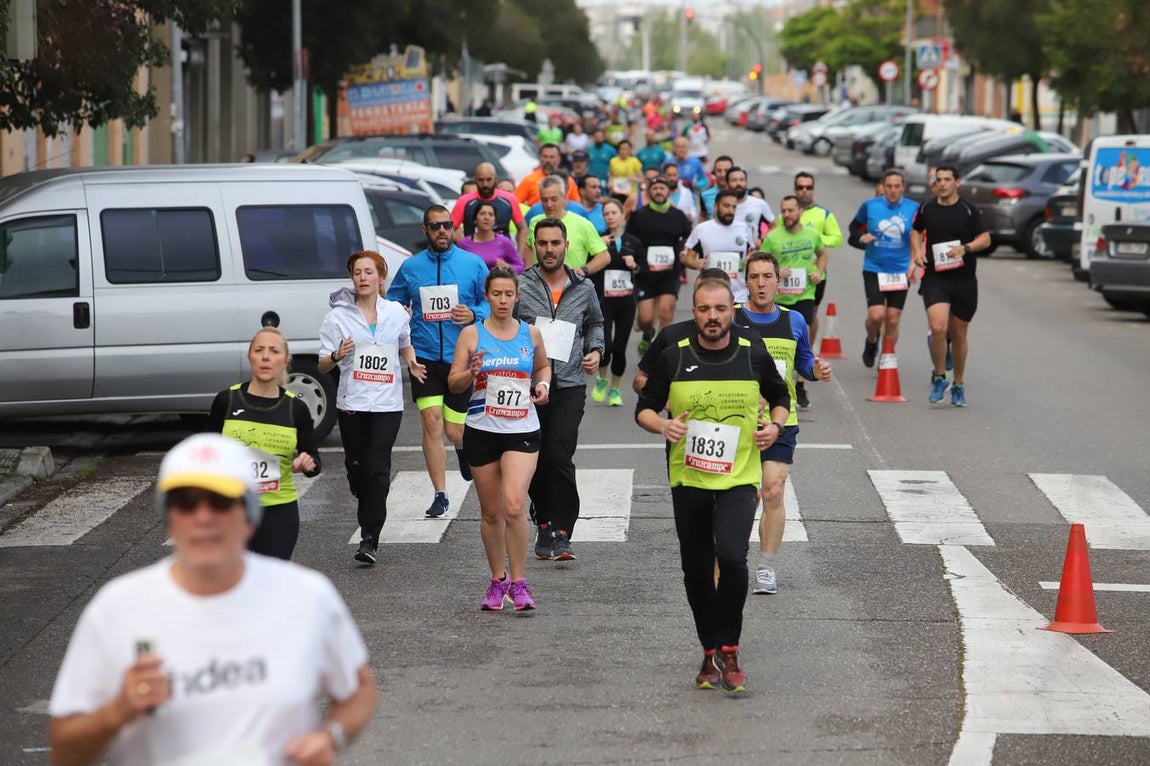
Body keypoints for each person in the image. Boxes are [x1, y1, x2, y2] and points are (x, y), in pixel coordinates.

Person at [48, 433, 377, 766]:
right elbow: (64, 750)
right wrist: (116, 712)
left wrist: (329, 737)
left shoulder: (306, 597)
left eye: (220, 502)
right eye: (187, 503)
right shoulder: (117, 609)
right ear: (169, 518)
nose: (203, 517)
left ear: (248, 514)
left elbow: (358, 689)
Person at [635, 276, 790, 694]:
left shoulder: (752, 350)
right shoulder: (674, 355)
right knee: (697, 569)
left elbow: (781, 397)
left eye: (720, 309)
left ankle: (731, 647)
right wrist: (662, 424)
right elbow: (643, 409)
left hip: (738, 477)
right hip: (688, 478)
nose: (712, 317)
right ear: (694, 309)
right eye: (704, 309)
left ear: (731, 310)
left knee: (733, 557)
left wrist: (774, 428)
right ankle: (708, 651)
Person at [448, 267, 551, 611]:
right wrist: (470, 372)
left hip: (522, 429)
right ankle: (498, 579)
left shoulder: (531, 334)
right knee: (492, 513)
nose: (503, 300)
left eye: (509, 294)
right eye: (497, 294)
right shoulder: (471, 336)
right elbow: (454, 384)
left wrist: (543, 385)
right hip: (481, 429)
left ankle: (520, 583)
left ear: (517, 296)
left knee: (514, 505)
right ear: (487, 297)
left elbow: (543, 367)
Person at [320, 251, 426, 565]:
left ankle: (370, 537)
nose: (363, 278)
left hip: (386, 404)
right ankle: (361, 487)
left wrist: (411, 361)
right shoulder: (337, 317)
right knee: (357, 467)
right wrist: (338, 355)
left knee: (378, 467)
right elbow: (322, 364)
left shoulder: (396, 313)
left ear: (381, 278)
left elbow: (404, 341)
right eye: (357, 273)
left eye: (369, 272)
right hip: (352, 402)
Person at [734, 253, 832, 594]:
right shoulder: (730, 318)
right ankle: (733, 554)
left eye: (767, 277)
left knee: (773, 489)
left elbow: (803, 360)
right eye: (755, 277)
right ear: (745, 281)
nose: (761, 283)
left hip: (782, 419)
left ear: (779, 281)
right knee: (743, 496)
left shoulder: (794, 321)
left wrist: (815, 372)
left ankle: (766, 567)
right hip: (735, 421)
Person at [386, 206, 490, 520]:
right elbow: (393, 301)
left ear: (454, 227)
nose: (442, 231)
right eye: (435, 226)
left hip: (460, 359)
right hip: (426, 357)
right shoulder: (411, 267)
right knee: (431, 422)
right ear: (425, 230)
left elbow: (492, 300)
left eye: (446, 225)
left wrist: (474, 314)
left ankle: (461, 448)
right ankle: (440, 494)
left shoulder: (472, 264)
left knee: (455, 431)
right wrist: (398, 313)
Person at [517, 217, 605, 562]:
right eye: (543, 243)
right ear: (534, 246)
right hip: (530, 385)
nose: (549, 249)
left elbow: (595, 322)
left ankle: (563, 530)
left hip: (569, 384)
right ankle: (543, 524)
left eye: (555, 243)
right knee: (536, 459)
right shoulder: (522, 285)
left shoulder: (583, 286)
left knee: (560, 454)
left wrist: (596, 350)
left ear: (566, 245)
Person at [206, 326, 321, 561]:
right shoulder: (226, 401)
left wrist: (308, 463)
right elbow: (207, 454)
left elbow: (314, 459)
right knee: (234, 585)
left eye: (274, 351)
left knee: (271, 587)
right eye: (259, 350)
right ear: (250, 357)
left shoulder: (296, 409)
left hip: (279, 512)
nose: (266, 357)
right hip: (232, 510)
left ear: (285, 360)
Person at [910, 164, 991, 407]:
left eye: (947, 179)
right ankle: (939, 376)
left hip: (964, 280)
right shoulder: (927, 207)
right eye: (939, 179)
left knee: (958, 334)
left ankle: (958, 383)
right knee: (937, 327)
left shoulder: (968, 210)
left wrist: (965, 248)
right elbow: (915, 231)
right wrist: (916, 252)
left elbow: (985, 239)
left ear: (958, 182)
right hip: (936, 277)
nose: (942, 183)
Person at [759, 196, 827, 409]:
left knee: (803, 330)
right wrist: (777, 271)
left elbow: (822, 253)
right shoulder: (773, 237)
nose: (786, 215)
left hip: (804, 293)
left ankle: (799, 383)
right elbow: (761, 262)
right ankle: (777, 379)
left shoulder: (812, 234)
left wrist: (819, 271)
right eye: (783, 211)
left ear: (800, 212)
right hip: (779, 296)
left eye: (790, 210)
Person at [849, 169, 919, 367]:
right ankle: (871, 341)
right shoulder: (870, 206)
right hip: (874, 268)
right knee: (876, 315)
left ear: (903, 187)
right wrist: (862, 238)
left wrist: (914, 260)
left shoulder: (913, 208)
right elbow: (854, 229)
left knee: (893, 318)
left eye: (897, 186)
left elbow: (919, 236)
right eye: (889, 186)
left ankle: (887, 356)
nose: (893, 190)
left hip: (900, 270)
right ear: (883, 187)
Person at [628, 175, 693, 355]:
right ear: (650, 191)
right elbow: (630, 239)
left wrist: (683, 252)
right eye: (655, 188)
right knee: (646, 320)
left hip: (670, 273)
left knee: (665, 313)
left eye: (662, 188)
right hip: (645, 274)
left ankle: (662, 354)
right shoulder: (639, 216)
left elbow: (688, 236)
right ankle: (647, 333)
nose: (658, 191)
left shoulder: (678, 215)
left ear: (667, 191)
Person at [590, 198, 641, 407]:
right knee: (607, 346)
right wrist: (598, 249)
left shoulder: (634, 242)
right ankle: (602, 379)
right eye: (606, 214)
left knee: (620, 348)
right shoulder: (598, 241)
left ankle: (615, 389)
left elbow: (642, 270)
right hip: (605, 300)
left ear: (622, 215)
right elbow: (589, 266)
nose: (610, 217)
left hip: (626, 302)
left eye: (613, 213)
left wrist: (634, 264)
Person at [794, 172, 843, 360]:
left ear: (813, 190)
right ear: (795, 189)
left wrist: (813, 238)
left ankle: (808, 350)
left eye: (808, 187)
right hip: (791, 274)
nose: (804, 191)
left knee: (811, 313)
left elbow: (837, 239)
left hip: (815, 274)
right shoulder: (788, 213)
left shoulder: (824, 214)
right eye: (800, 187)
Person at [524, 175, 610, 274]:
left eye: (554, 199)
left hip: (572, 286)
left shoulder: (582, 223)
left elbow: (604, 256)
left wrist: (583, 270)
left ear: (564, 198)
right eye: (544, 200)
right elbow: (529, 246)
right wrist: (528, 271)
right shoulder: (535, 222)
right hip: (540, 286)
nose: (549, 205)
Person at [681, 189, 753, 304]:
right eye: (726, 206)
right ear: (716, 206)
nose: (731, 211)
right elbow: (688, 258)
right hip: (710, 295)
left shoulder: (744, 229)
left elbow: (751, 254)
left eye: (734, 207)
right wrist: (696, 264)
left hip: (740, 296)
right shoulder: (702, 229)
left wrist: (750, 259)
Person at [452, 162, 527, 253]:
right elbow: (449, 230)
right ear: (475, 180)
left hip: (502, 259)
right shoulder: (464, 201)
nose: (485, 184)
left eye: (489, 180)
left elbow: (523, 228)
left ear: (496, 179)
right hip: (474, 256)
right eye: (481, 180)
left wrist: (519, 256)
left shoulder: (509, 199)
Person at [458, 200, 526, 273]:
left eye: (491, 214)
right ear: (475, 219)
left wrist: (506, 266)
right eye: (482, 214)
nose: (487, 217)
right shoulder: (463, 243)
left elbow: (520, 266)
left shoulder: (504, 242)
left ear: (494, 221)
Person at [514, 144, 580, 207]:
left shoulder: (568, 180)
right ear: (540, 158)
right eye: (545, 156)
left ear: (559, 159)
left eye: (551, 157)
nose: (548, 160)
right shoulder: (529, 179)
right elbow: (515, 203)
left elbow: (577, 204)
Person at [727, 166, 775, 249]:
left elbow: (774, 226)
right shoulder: (723, 205)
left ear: (746, 182)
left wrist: (762, 240)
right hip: (729, 253)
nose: (738, 183)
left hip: (752, 255)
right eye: (734, 180)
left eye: (742, 180)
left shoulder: (759, 203)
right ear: (727, 184)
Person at [607, 138, 643, 204]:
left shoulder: (634, 161)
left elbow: (641, 179)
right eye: (622, 148)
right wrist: (610, 183)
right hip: (617, 192)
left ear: (630, 150)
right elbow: (611, 175)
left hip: (630, 193)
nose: (624, 151)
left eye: (626, 149)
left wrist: (633, 179)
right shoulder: (613, 161)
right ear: (618, 149)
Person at [699, 155, 733, 222]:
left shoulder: (742, 194)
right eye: (719, 170)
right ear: (714, 172)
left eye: (726, 170)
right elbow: (703, 216)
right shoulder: (705, 194)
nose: (723, 174)